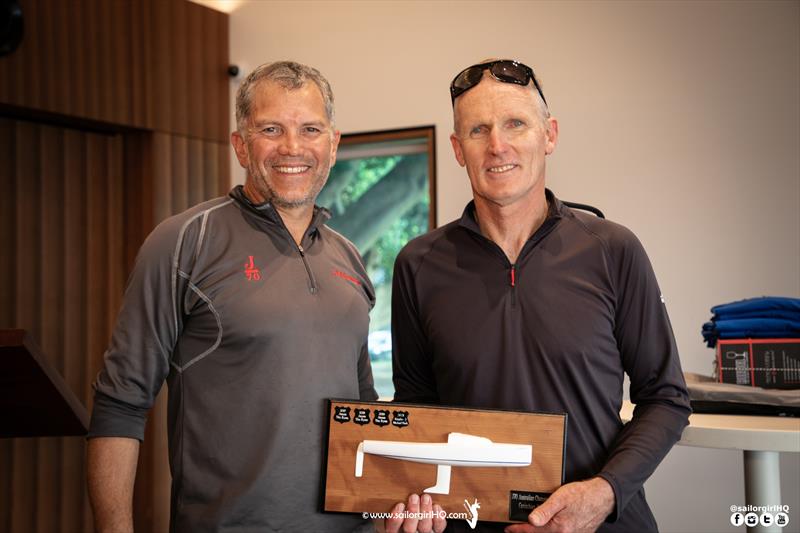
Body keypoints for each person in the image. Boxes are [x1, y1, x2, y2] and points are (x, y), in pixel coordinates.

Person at [86, 60, 435, 533]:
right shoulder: (183, 242)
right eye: (271, 128)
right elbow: (119, 405)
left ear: (332, 146)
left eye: (310, 129)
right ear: (241, 145)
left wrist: (392, 510)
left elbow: (363, 409)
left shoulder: (349, 259)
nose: (292, 147)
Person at [391, 59, 691, 532]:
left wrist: (605, 491)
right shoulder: (418, 264)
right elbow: (416, 404)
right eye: (477, 130)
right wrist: (409, 500)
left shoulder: (612, 249)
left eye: (516, 124)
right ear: (457, 148)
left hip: (604, 523)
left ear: (548, 135)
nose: (497, 145)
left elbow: (666, 398)